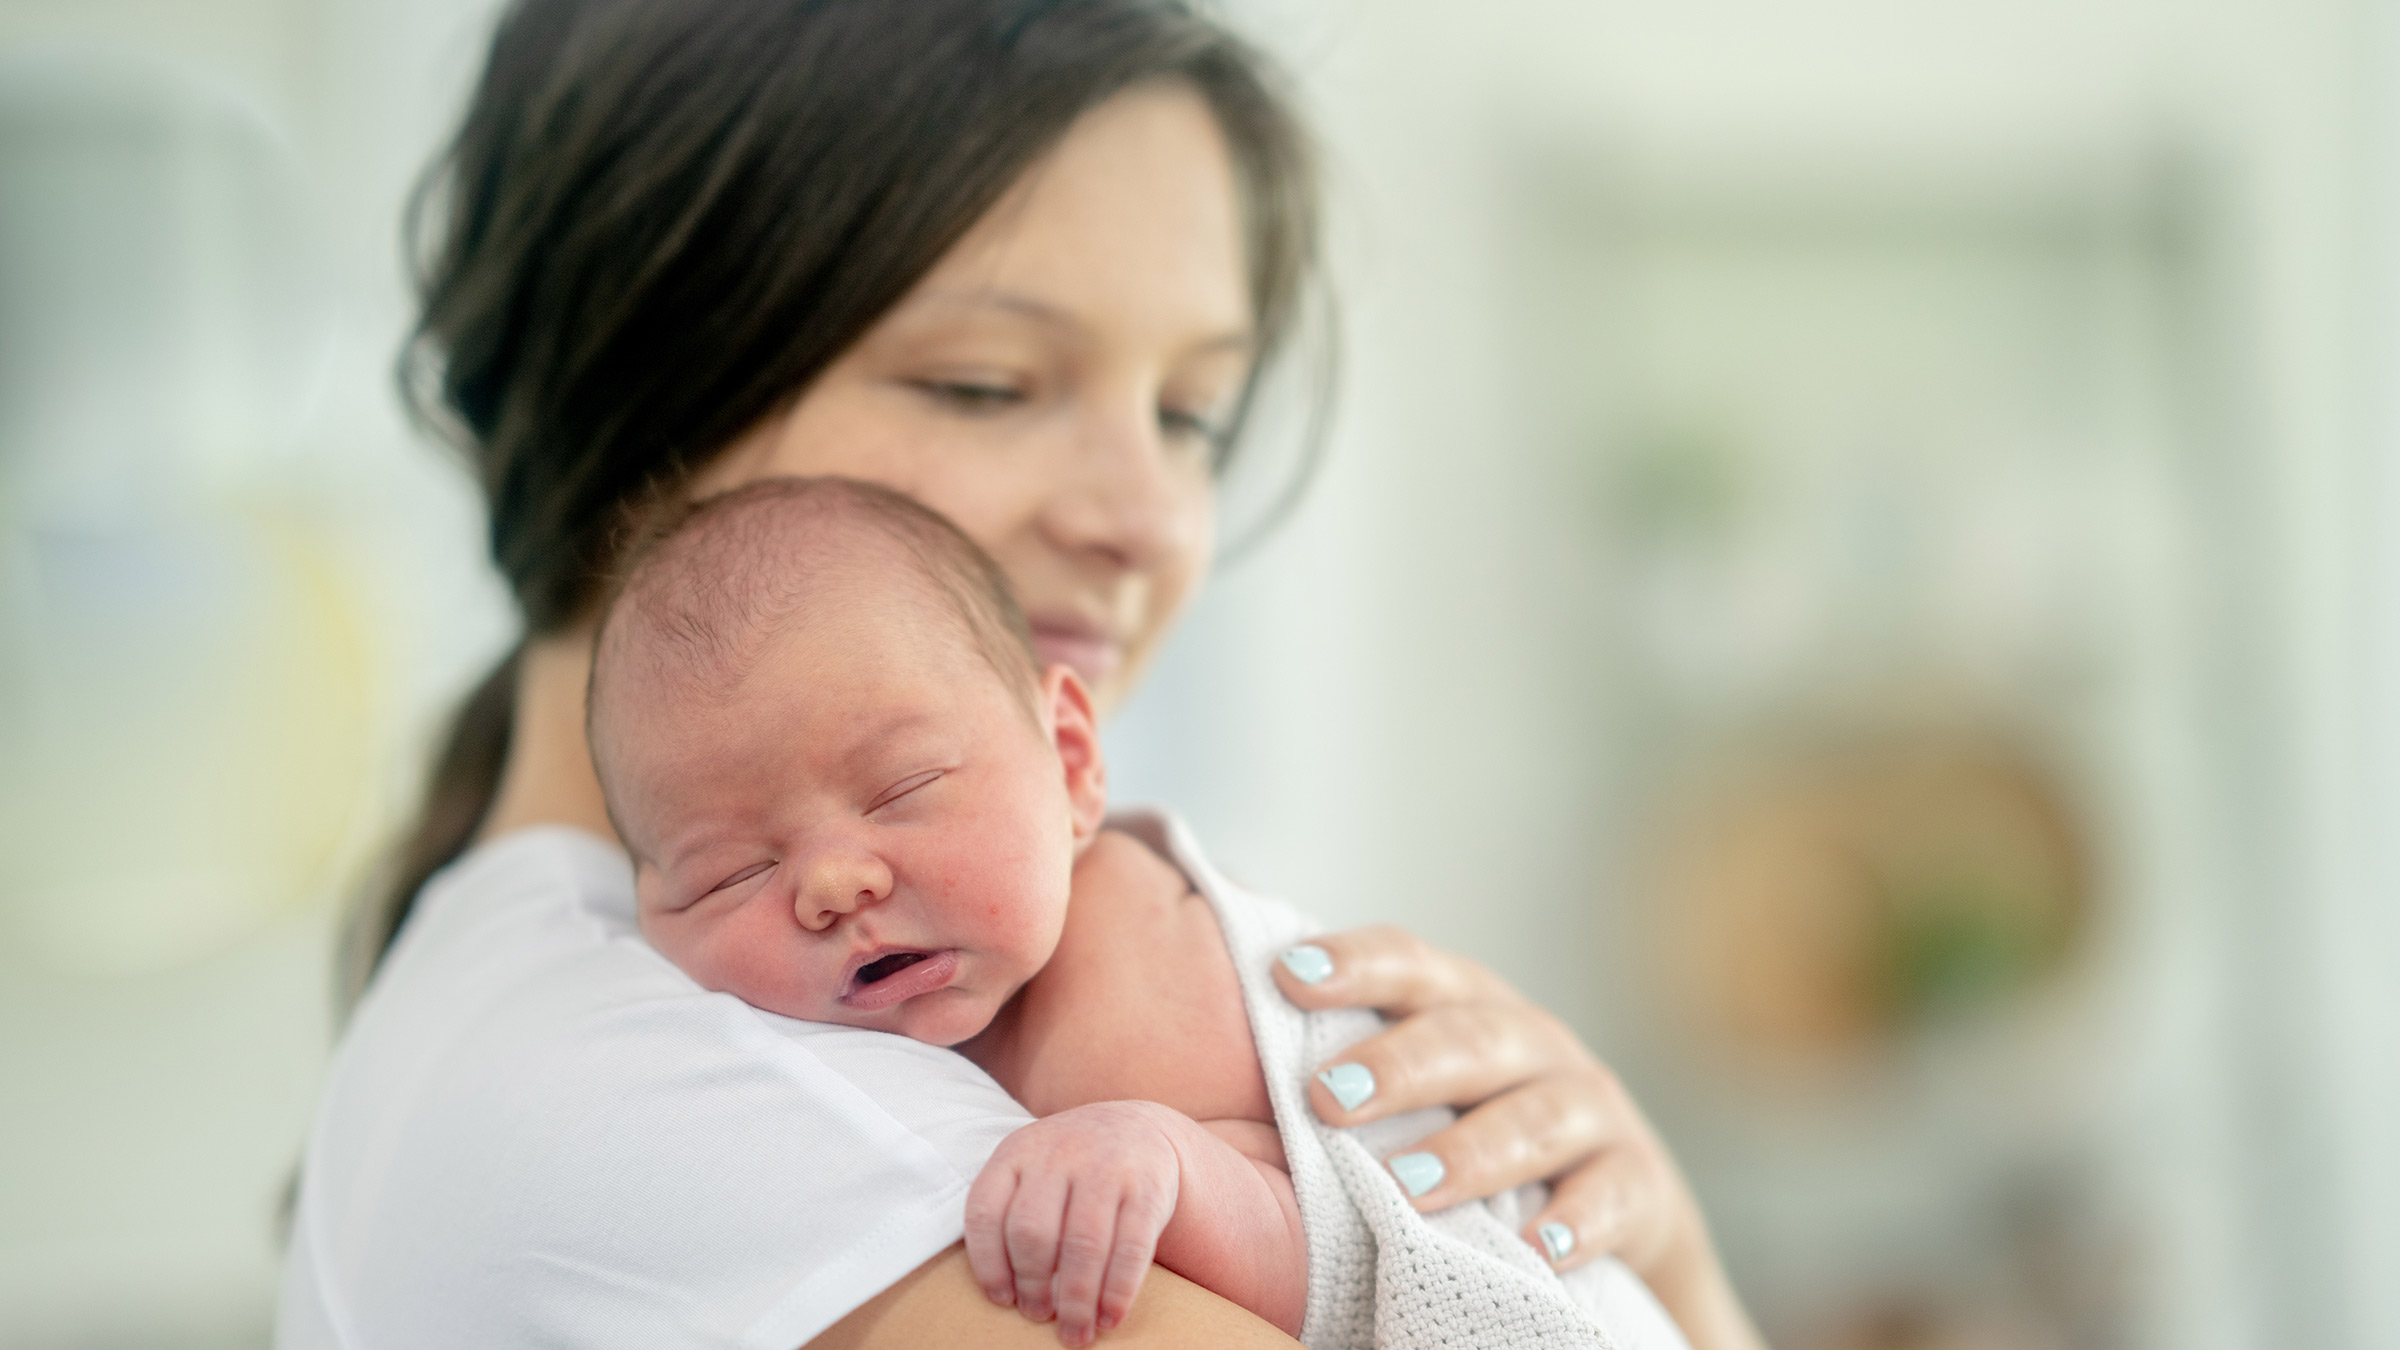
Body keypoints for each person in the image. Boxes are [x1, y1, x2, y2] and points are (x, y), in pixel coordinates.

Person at [282, 2, 1768, 1347]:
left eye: (1191, 412)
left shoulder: (661, 996)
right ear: (632, 376)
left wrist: (1648, 1247)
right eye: (984, 384)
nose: (1145, 518)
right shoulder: (684, 1085)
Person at [587, 476, 1306, 1345]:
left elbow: (1360, 1254)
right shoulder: (650, 1064)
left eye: (902, 788)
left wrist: (1174, 1163)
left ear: (1072, 762)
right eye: (729, 874)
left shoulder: (1138, 979)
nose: (831, 886)